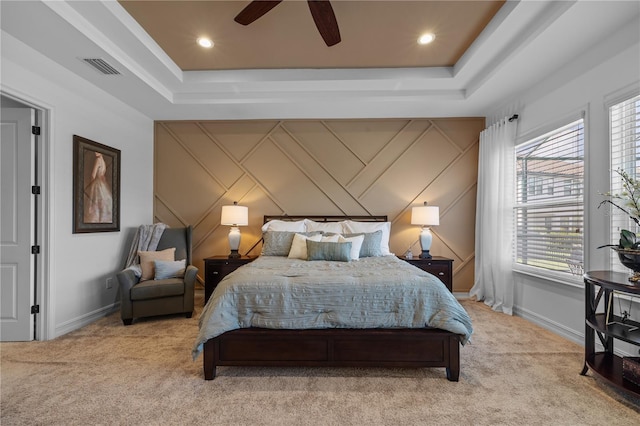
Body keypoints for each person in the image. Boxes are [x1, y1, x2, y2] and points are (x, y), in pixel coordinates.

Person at [84, 151, 112, 223]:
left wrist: (91, 185)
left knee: (95, 202)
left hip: (97, 184)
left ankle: (96, 220)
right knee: (102, 203)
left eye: (98, 151)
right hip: (103, 185)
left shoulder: (98, 160)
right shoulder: (104, 162)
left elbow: (93, 175)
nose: (95, 152)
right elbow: (102, 175)